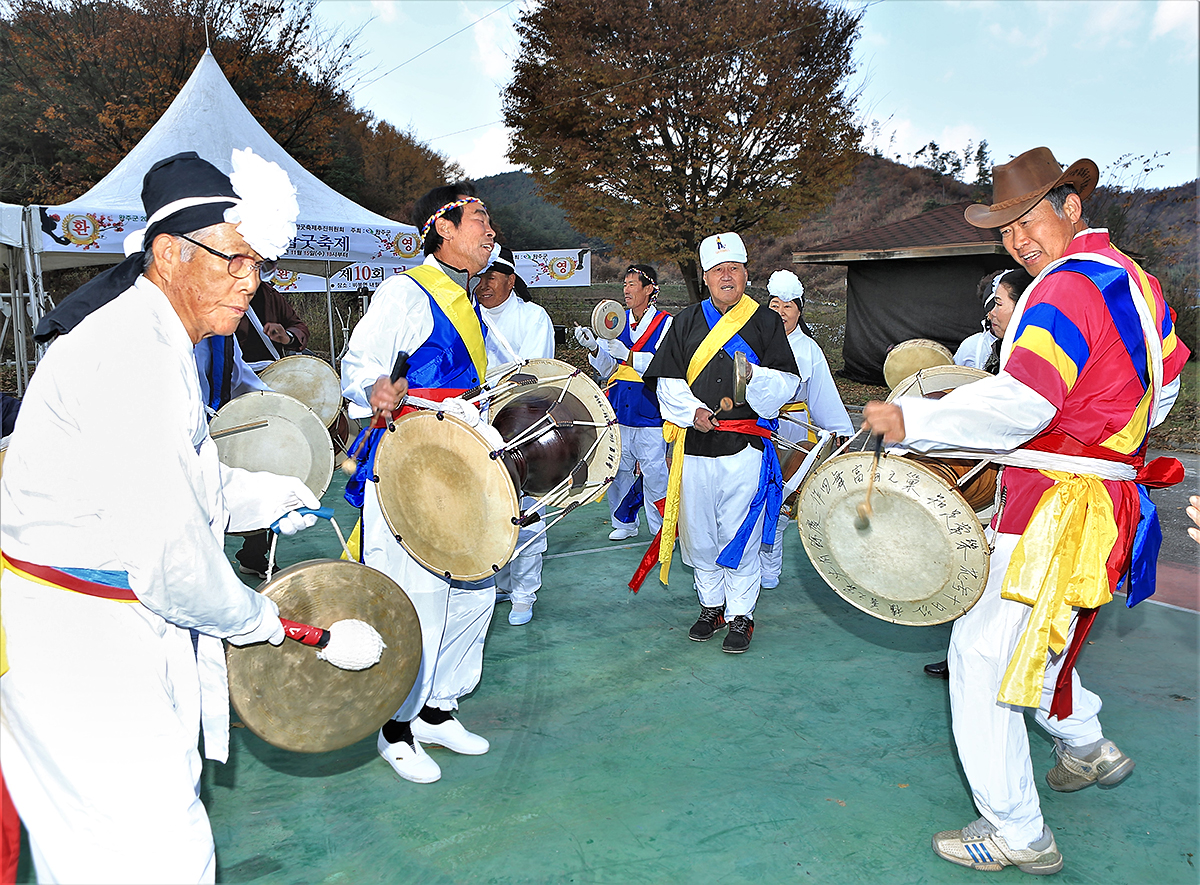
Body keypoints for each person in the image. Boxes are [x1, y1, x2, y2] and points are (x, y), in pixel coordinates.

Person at [862, 146, 1188, 875]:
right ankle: (1085, 743)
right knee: (1038, 640)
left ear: (1071, 206)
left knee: (981, 656)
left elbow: (1024, 402)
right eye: (1006, 231)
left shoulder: (1061, 288)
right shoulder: (1138, 282)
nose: (1017, 242)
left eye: (1028, 221)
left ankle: (1016, 829)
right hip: (1106, 500)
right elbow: (1164, 388)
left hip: (1052, 508)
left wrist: (913, 420)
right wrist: (1106, 435)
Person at [0, 149, 322, 883]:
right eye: (235, 259)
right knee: (160, 859)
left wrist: (268, 495)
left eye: (258, 263)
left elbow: (178, 481)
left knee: (97, 857)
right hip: (82, 645)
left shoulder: (155, 337)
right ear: (171, 253)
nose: (251, 280)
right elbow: (171, 559)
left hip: (92, 625)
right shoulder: (131, 353)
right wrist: (258, 619)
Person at [341, 182, 497, 785]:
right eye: (480, 217)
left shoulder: (469, 300)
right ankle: (395, 726)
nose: (490, 230)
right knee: (419, 596)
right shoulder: (404, 291)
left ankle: (437, 709)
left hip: (462, 457)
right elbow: (360, 363)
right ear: (444, 226)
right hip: (412, 461)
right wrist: (374, 387)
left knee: (475, 590)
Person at [643, 233, 799, 653]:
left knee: (738, 532)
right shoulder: (686, 321)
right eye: (717, 271)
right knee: (699, 533)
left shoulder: (765, 322)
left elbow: (786, 382)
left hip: (744, 448)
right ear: (706, 278)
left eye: (733, 269)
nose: (726, 276)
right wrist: (693, 411)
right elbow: (667, 380)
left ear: (746, 274)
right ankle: (711, 606)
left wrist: (754, 377)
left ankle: (741, 614)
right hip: (694, 447)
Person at [926, 266, 1035, 679]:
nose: (991, 312)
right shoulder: (998, 349)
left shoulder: (1034, 359)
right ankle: (966, 652)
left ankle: (996, 660)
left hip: (1025, 486)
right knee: (978, 567)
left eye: (999, 303)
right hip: (994, 475)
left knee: (1004, 579)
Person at [758, 269, 854, 590]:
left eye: (788, 306)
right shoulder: (753, 340)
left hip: (792, 430)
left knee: (782, 501)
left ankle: (770, 567)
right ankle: (747, 564)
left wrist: (839, 430)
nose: (781, 311)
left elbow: (822, 393)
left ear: (799, 310)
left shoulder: (809, 349)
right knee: (750, 497)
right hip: (756, 428)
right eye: (775, 304)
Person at [475, 244, 555, 625]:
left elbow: (534, 374)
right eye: (480, 276)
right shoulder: (466, 316)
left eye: (492, 276)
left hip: (522, 428)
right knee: (488, 508)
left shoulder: (532, 316)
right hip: (477, 427)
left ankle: (524, 592)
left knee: (526, 511)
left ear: (511, 280)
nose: (484, 284)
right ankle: (500, 582)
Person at [576, 264, 673, 541]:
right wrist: (594, 347)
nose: (626, 290)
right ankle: (624, 522)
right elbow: (609, 369)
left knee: (654, 472)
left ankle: (662, 528)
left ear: (649, 288)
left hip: (650, 409)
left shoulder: (666, 323)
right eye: (625, 284)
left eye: (632, 284)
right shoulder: (616, 322)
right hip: (619, 407)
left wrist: (629, 355)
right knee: (618, 469)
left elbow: (664, 365)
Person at [236, 278, 310, 367]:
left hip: (271, 368)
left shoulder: (269, 293)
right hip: (232, 370)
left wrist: (288, 337)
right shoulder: (222, 296)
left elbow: (297, 325)